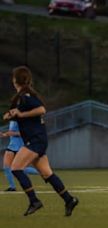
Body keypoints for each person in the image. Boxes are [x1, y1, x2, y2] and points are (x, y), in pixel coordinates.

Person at [3, 66, 78, 216]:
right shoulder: (21, 98)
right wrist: (11, 114)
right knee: (47, 174)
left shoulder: (27, 96)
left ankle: (34, 201)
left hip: (35, 140)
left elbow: (41, 110)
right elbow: (15, 112)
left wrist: (21, 115)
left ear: (15, 80)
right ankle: (69, 199)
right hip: (36, 139)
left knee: (16, 168)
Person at [1, 120, 39, 191]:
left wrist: (13, 133)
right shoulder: (11, 121)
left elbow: (26, 133)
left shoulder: (21, 120)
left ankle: (41, 172)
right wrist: (4, 135)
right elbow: (10, 133)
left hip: (20, 147)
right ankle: (12, 187)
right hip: (11, 146)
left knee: (17, 168)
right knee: (7, 167)